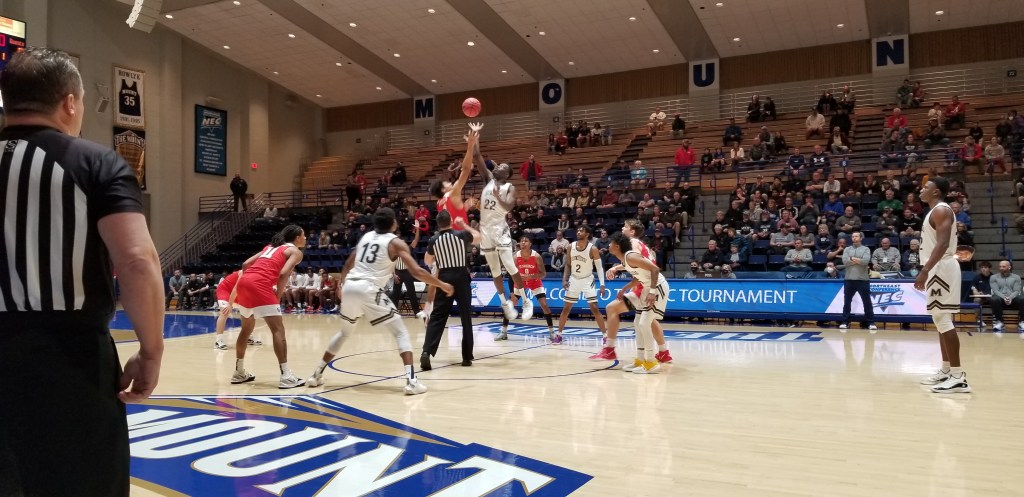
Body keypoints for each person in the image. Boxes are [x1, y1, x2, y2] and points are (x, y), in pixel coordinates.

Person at [0, 47, 164, 497]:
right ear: (69, 103)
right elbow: (136, 260)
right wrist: (150, 352)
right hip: (68, 360)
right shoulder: (94, 162)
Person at [306, 208, 453, 392]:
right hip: (369, 289)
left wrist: (341, 285)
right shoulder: (395, 242)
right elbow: (417, 271)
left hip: (351, 286)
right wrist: (442, 285)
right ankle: (412, 382)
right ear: (393, 223)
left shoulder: (366, 237)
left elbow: (348, 263)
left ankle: (316, 375)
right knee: (400, 332)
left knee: (344, 332)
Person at [468, 124, 532, 320]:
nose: (498, 167)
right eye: (498, 165)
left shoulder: (509, 187)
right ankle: (505, 304)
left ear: (507, 174)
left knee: (510, 266)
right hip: (486, 230)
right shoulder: (488, 178)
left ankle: (526, 301)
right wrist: (475, 137)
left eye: (502, 167)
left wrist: (498, 197)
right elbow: (477, 156)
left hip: (500, 228)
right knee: (495, 270)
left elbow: (508, 207)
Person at [230, 225, 306, 388]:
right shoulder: (295, 252)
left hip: (244, 282)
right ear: (297, 238)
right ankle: (286, 376)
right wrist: (277, 297)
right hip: (260, 285)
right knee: (278, 330)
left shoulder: (270, 247)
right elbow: (283, 273)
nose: (305, 238)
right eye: (304, 235)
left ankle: (239, 372)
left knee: (246, 330)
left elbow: (245, 264)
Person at [590, 220, 673, 364]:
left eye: (625, 227)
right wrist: (619, 273)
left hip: (648, 285)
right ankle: (660, 353)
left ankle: (617, 351)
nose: (622, 228)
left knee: (641, 320)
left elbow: (644, 266)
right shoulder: (636, 247)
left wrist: (617, 270)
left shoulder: (632, 243)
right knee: (645, 321)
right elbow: (633, 265)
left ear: (632, 232)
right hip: (644, 284)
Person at [916, 177, 970, 393]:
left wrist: (925, 270)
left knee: (943, 320)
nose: (921, 190)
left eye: (925, 187)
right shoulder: (935, 211)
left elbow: (943, 243)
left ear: (936, 192)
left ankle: (958, 376)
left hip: (941, 268)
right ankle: (947, 370)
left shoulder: (941, 210)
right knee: (940, 320)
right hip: (937, 268)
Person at [420, 211, 478, 369]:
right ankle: (466, 357)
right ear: (451, 221)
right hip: (461, 277)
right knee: (465, 317)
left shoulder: (434, 239)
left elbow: (427, 260)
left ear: (438, 224)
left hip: (444, 277)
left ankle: (426, 352)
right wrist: (464, 225)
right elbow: (479, 237)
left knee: (438, 316)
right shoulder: (461, 234)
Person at [606, 232, 669, 374]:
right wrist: (625, 287)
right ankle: (640, 360)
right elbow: (640, 275)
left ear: (617, 246)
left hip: (657, 287)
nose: (608, 245)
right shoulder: (625, 260)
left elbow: (655, 269)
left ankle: (651, 362)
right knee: (637, 323)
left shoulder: (631, 256)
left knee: (644, 323)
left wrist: (652, 291)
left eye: (611, 243)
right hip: (648, 287)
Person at [496, 237, 556, 340]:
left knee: (544, 305)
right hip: (520, 282)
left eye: (526, 241)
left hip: (534, 281)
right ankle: (503, 332)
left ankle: (551, 332)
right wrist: (511, 293)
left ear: (530, 244)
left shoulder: (536, 256)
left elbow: (543, 274)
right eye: (521, 241)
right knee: (510, 305)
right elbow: (511, 275)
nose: (523, 242)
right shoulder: (516, 257)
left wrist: (531, 276)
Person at [556, 225, 607, 342]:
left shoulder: (593, 248)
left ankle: (605, 335)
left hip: (587, 280)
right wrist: (564, 279)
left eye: (581, 230)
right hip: (574, 279)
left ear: (587, 234)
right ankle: (559, 334)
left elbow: (599, 268)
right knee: (566, 308)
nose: (578, 232)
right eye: (578, 230)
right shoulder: (571, 246)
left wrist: (602, 285)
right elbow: (568, 264)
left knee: (594, 307)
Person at [212, 269, 262, 350]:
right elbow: (236, 289)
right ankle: (218, 341)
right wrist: (230, 304)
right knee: (225, 312)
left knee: (251, 314)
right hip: (225, 289)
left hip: (239, 292)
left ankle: (248, 337)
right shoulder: (244, 272)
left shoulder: (261, 276)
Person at [840, 232, 876, 331]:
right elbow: (845, 262)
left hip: (862, 280)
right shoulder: (847, 249)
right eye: (852, 236)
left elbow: (865, 261)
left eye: (856, 236)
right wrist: (858, 260)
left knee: (867, 301)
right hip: (849, 279)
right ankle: (845, 321)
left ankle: (870, 322)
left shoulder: (866, 249)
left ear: (861, 238)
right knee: (847, 302)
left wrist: (851, 258)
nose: (854, 238)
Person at [389, 219, 423, 315]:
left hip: (407, 272)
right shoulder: (394, 252)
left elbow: (416, 240)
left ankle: (416, 312)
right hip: (398, 272)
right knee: (395, 293)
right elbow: (391, 264)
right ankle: (394, 312)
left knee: (411, 292)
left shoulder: (408, 249)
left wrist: (417, 229)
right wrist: (394, 275)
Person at [989, 260, 1024, 332]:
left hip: (1013, 298)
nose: (1001, 268)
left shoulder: (1016, 277)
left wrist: (1010, 297)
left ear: (1009, 267)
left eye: (1003, 266)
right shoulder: (993, 277)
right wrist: (1004, 297)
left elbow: (1017, 291)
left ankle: (1022, 322)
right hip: (1000, 298)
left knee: (1022, 299)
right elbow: (995, 291)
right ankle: (1000, 322)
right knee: (994, 299)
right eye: (1000, 266)